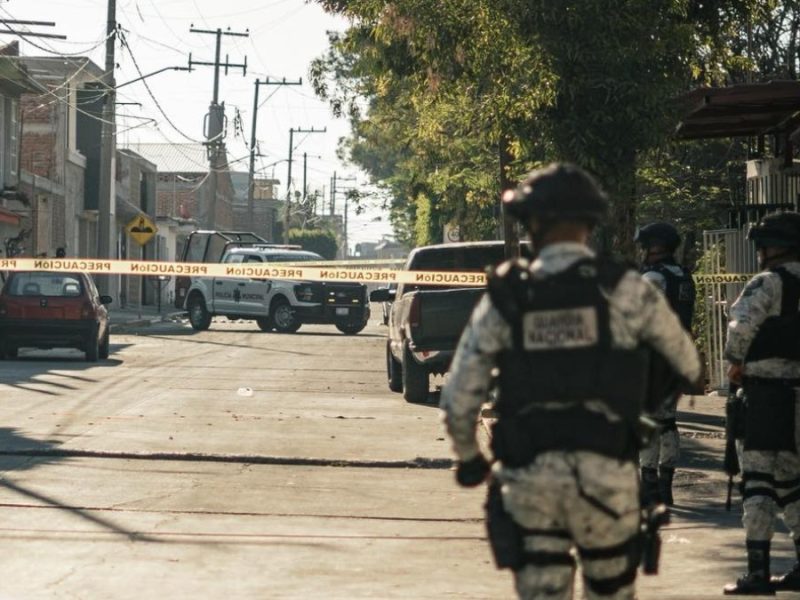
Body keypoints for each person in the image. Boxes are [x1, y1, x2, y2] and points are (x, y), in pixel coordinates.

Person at [440, 163, 701, 600]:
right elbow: (687, 364)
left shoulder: (509, 294)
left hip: (529, 478)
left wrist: (470, 459)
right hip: (607, 474)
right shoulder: (625, 287)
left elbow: (459, 395)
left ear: (530, 224)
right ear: (590, 223)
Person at [723, 211, 800, 595]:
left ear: (773, 248)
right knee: (793, 485)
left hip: (766, 395)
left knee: (758, 483)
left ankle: (757, 572)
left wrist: (735, 362)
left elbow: (740, 328)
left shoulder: (769, 282)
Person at [634, 222, 696, 506]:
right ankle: (666, 479)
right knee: (668, 420)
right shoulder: (682, 276)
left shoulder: (652, 279)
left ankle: (649, 483)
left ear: (655, 247)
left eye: (645, 247)